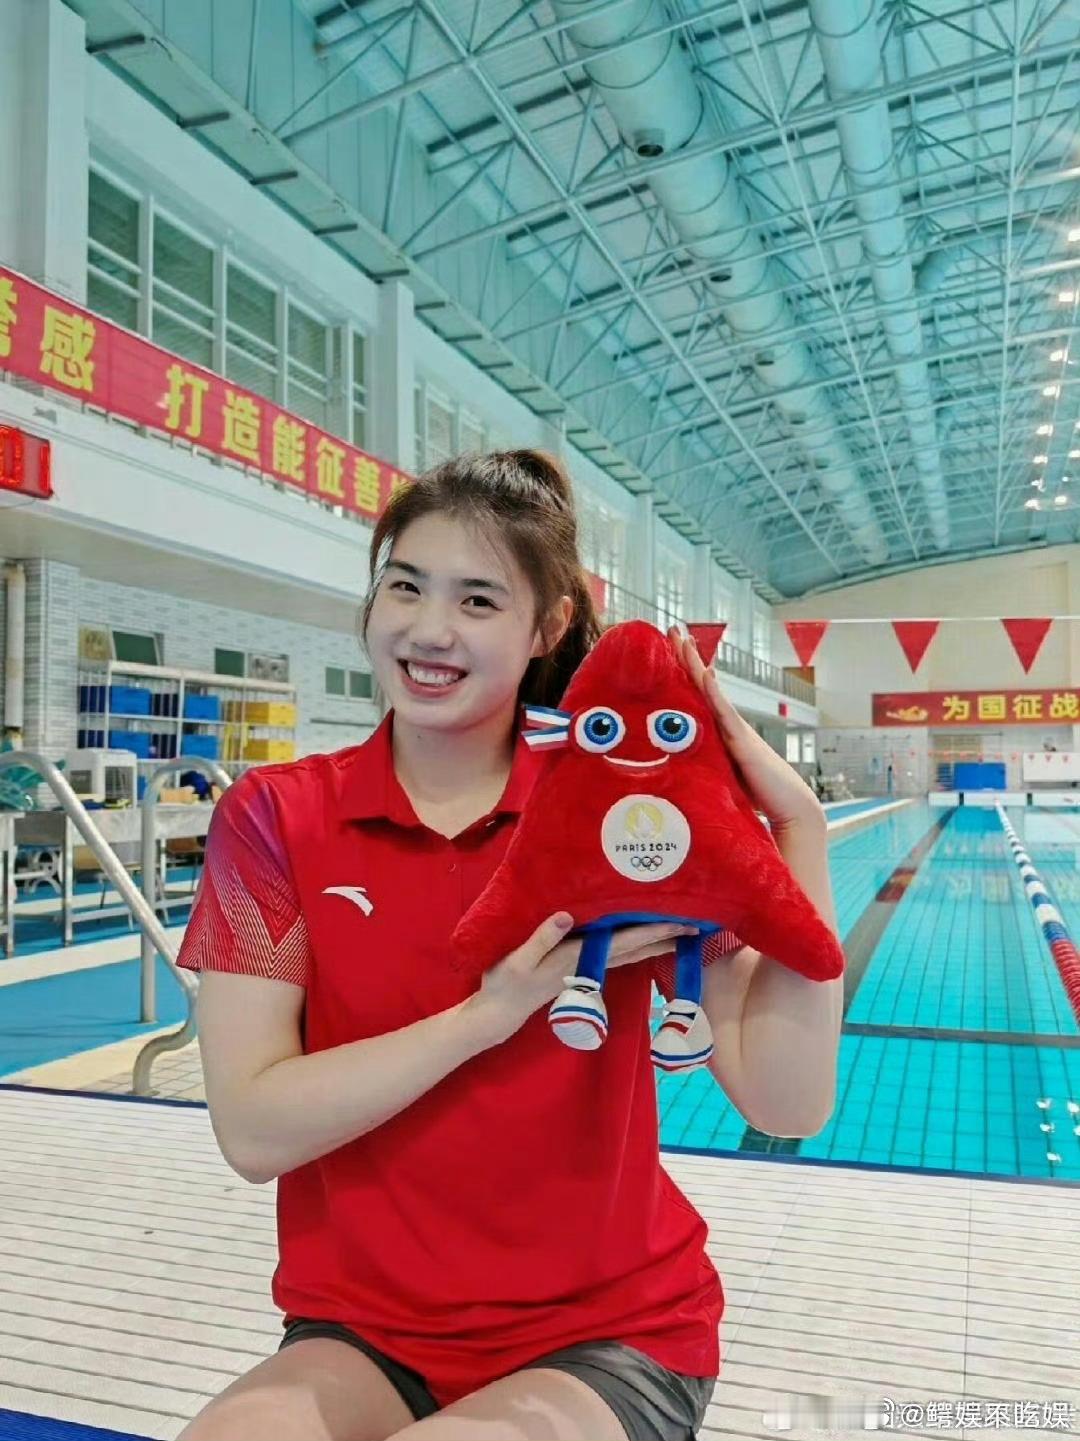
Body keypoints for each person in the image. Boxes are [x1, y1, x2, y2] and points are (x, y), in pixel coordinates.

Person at [177, 450, 841, 1441]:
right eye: (406, 585)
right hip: (363, 1331)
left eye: (478, 600)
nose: (429, 630)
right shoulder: (275, 817)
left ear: (547, 627)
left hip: (606, 1330)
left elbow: (788, 1103)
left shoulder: (623, 820)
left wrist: (800, 835)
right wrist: (489, 1013)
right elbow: (254, 1129)